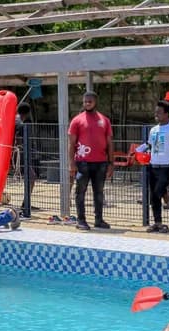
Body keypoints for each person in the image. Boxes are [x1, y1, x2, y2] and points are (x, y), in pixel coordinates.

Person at [67, 91, 114, 231]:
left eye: (90, 101)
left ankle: (98, 220)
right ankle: (81, 220)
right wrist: (71, 163)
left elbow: (110, 143)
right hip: (83, 162)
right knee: (80, 191)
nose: (87, 103)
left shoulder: (104, 120)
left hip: (101, 163)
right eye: (85, 101)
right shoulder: (77, 120)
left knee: (99, 192)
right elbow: (71, 143)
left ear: (95, 102)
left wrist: (111, 163)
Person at [143, 100, 169, 233]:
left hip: (166, 166)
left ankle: (168, 197)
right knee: (153, 196)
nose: (156, 114)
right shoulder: (153, 130)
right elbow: (150, 146)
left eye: (159, 112)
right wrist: (140, 152)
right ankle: (157, 222)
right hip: (153, 165)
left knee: (157, 192)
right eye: (156, 112)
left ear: (167, 114)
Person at [15, 102, 40, 211]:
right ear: (28, 113)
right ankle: (26, 204)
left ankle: (26, 203)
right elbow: (19, 141)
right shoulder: (22, 125)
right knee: (32, 177)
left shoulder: (15, 120)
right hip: (21, 156)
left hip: (18, 155)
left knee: (30, 177)